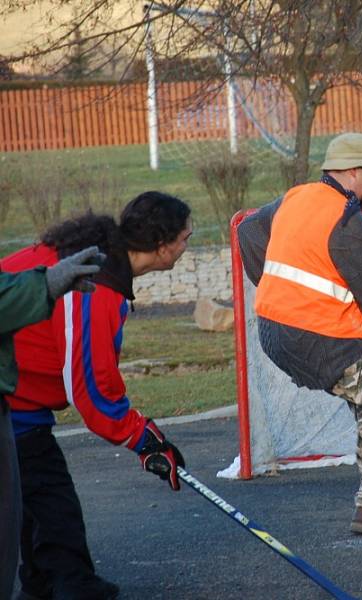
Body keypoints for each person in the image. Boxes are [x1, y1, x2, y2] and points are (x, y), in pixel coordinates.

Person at [237, 132, 362, 535]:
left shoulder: (296, 197)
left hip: (275, 332)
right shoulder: (346, 220)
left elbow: (247, 232)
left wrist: (279, 289)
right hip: (314, 336)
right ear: (352, 172)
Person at [1, 191, 192, 600]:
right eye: (184, 239)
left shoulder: (104, 261)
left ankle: (46, 583)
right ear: (162, 247)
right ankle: (71, 585)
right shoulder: (94, 286)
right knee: (51, 497)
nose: (186, 246)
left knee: (39, 495)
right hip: (12, 395)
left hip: (22, 398)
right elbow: (90, 389)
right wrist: (143, 439)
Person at [1, 248, 105, 600]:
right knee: (52, 501)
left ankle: (40, 579)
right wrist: (45, 284)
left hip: (21, 411)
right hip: (21, 416)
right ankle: (72, 583)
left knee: (29, 503)